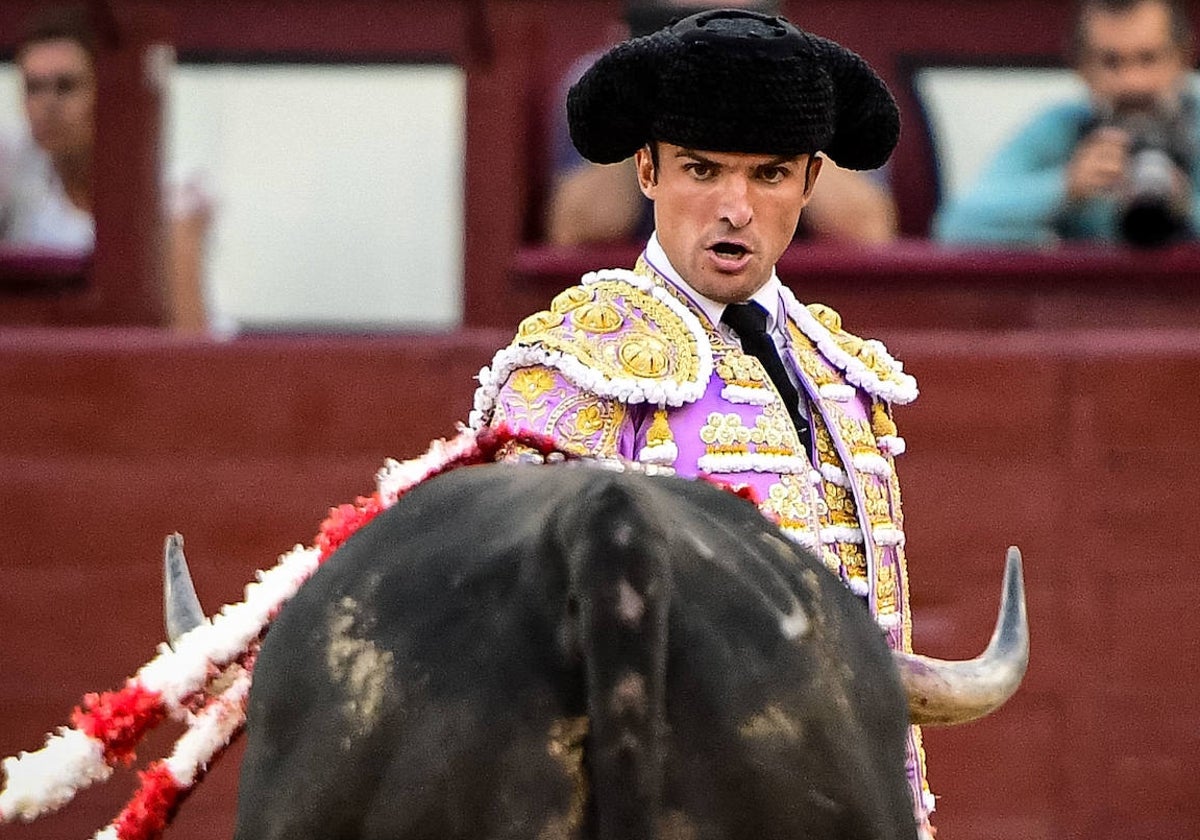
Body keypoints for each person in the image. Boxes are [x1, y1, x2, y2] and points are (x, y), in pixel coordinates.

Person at [471, 9, 935, 836]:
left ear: (811, 180)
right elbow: (512, 667)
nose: (734, 208)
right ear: (645, 170)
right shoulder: (576, 368)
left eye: (769, 175)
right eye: (700, 169)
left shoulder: (844, 373)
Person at [543, 0, 899, 246]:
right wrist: (641, 89)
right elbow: (573, 231)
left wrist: (782, 90)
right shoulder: (599, 81)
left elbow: (869, 231)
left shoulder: (823, 82)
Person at [0, 5, 213, 331]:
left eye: (66, 86)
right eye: (34, 87)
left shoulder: (171, 194)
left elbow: (190, 343)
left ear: (107, 93)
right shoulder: (15, 162)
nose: (48, 105)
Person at [934, 0, 1200, 247]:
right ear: (1081, 67)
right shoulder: (1063, 129)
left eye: (1148, 58)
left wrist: (1187, 206)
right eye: (1110, 61)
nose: (1132, 82)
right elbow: (955, 225)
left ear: (1182, 57)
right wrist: (1066, 187)